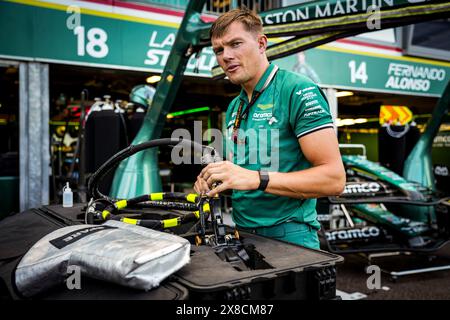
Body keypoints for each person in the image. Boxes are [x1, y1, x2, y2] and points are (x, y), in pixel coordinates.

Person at [194, 8, 345, 249]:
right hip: (242, 234)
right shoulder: (235, 105)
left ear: (261, 43)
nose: (226, 56)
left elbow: (334, 180)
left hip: (291, 237)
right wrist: (216, 180)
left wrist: (255, 179)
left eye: (235, 44)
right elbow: (242, 173)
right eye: (219, 50)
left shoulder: (297, 89)